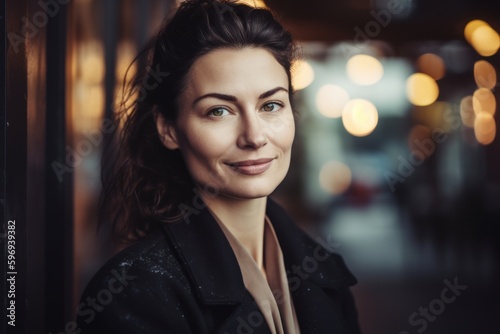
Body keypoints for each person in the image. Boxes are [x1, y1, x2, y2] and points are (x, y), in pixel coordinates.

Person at [76, 0, 361, 333]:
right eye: (219, 111)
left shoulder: (326, 273)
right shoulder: (134, 293)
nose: (254, 137)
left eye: (270, 105)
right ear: (168, 128)